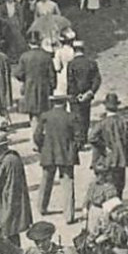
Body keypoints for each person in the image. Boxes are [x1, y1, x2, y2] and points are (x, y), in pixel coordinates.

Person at [34, 91, 79, 223]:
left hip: (49, 152)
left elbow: (37, 136)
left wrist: (43, 146)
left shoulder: (45, 116)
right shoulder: (71, 117)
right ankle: (69, 215)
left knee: (46, 180)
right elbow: (79, 136)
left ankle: (42, 207)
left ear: (53, 103)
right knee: (67, 183)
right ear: (65, 103)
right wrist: (74, 148)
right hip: (66, 154)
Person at [16, 34, 55, 123]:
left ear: (29, 44)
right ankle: (42, 131)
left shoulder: (24, 56)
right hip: (44, 87)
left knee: (33, 112)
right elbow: (52, 75)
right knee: (44, 110)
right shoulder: (47, 56)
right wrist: (52, 86)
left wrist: (24, 79)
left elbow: (19, 74)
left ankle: (35, 133)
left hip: (29, 86)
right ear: (40, 43)